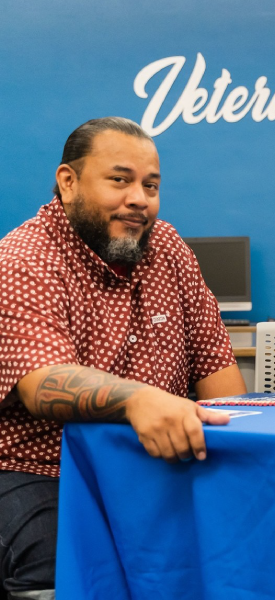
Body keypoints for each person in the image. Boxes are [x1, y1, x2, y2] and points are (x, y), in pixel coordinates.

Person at [0, 117, 247, 598]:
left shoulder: (169, 247)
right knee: (64, 569)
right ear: (68, 183)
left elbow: (217, 370)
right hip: (42, 469)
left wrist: (240, 450)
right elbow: (41, 381)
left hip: (157, 462)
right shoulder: (21, 259)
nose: (139, 198)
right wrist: (138, 400)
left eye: (150, 185)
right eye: (120, 180)